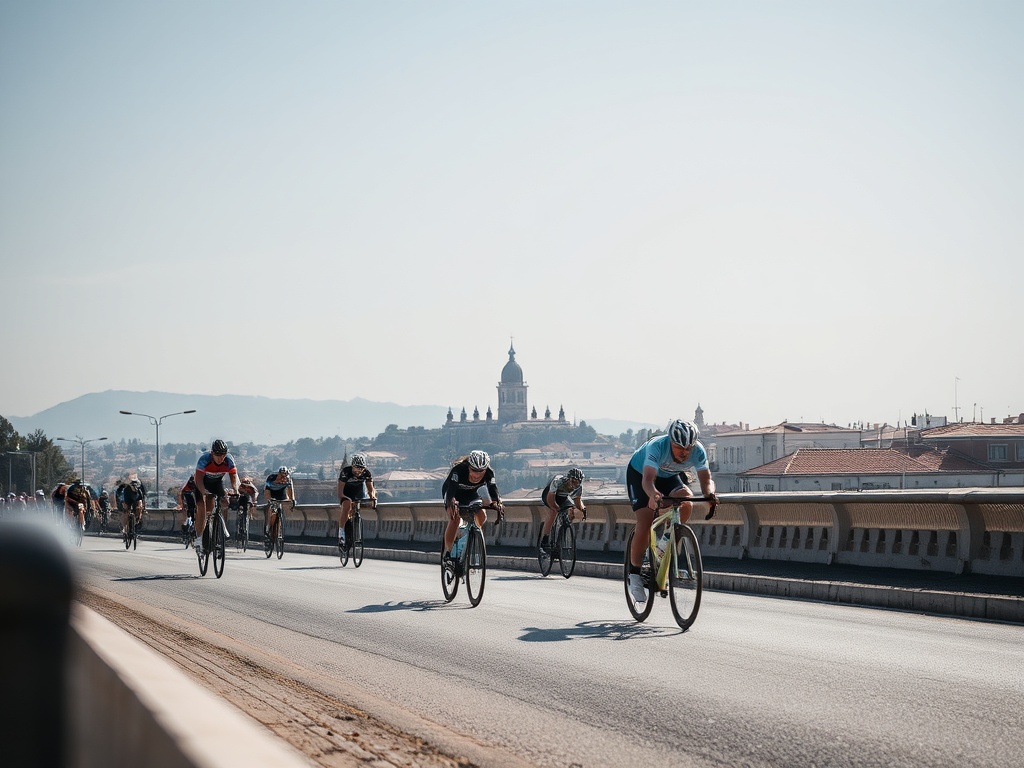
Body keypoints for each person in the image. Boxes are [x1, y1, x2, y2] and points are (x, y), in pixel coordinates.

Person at [625, 419, 718, 603]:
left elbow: (706, 480)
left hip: (669, 476)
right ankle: (634, 574)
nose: (684, 453)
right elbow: (648, 480)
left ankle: (665, 544)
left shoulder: (698, 450)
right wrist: (653, 495)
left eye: (688, 448)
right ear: (670, 441)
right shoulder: (657, 446)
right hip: (640, 475)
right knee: (644, 520)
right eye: (679, 448)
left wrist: (710, 495)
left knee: (686, 501)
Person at [440, 450, 503, 559]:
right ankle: (448, 553)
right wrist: (452, 503)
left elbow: (493, 490)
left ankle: (470, 536)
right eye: (474, 470)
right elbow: (451, 491)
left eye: (481, 471)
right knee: (454, 519)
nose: (477, 474)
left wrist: (497, 504)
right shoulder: (458, 470)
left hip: (471, 494)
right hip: (453, 493)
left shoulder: (489, 473)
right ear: (469, 467)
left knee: (482, 516)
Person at [193, 439, 240, 556]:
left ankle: (220, 527)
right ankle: (199, 539)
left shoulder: (229, 460)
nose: (220, 458)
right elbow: (198, 479)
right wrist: (204, 492)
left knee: (224, 502)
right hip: (202, 483)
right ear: (212, 453)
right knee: (201, 507)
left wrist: (236, 490)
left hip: (217, 482)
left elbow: (234, 478)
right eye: (217, 455)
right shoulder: (204, 459)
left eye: (223, 455)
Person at [539, 466, 587, 551]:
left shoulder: (578, 488)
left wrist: (583, 509)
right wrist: (555, 507)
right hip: (549, 494)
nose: (575, 484)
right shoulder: (558, 481)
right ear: (568, 479)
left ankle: (559, 542)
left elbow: (577, 501)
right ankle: (545, 539)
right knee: (553, 512)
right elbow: (550, 499)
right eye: (574, 481)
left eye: (578, 482)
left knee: (570, 510)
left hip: (562, 497)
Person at [336, 454, 376, 552]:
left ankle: (354, 518)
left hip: (359, 492)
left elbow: (371, 490)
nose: (359, 471)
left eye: (361, 469)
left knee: (368, 504)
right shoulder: (346, 472)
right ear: (352, 466)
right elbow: (340, 492)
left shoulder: (366, 473)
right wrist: (345, 498)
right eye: (356, 469)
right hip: (346, 492)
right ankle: (341, 533)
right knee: (347, 504)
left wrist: (373, 498)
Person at [263, 466, 295, 542]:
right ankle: (268, 528)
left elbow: (291, 491)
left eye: (284, 476)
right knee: (272, 509)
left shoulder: (288, 479)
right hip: (272, 493)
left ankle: (278, 529)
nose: (282, 479)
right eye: (281, 476)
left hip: (281, 493)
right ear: (278, 474)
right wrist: (269, 499)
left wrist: (292, 501)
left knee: (280, 509)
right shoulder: (271, 478)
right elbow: (267, 491)